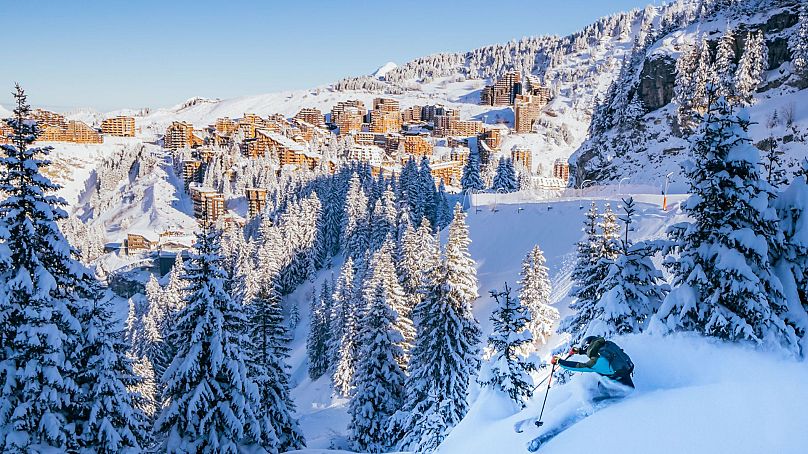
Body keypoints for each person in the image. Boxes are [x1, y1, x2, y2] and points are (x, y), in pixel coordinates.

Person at [551, 335, 635, 393]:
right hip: (627, 369)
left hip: (617, 375)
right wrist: (579, 351)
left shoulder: (596, 361)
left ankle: (612, 400)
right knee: (602, 375)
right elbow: (595, 351)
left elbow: (579, 366)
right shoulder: (608, 345)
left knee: (600, 385)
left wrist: (559, 361)